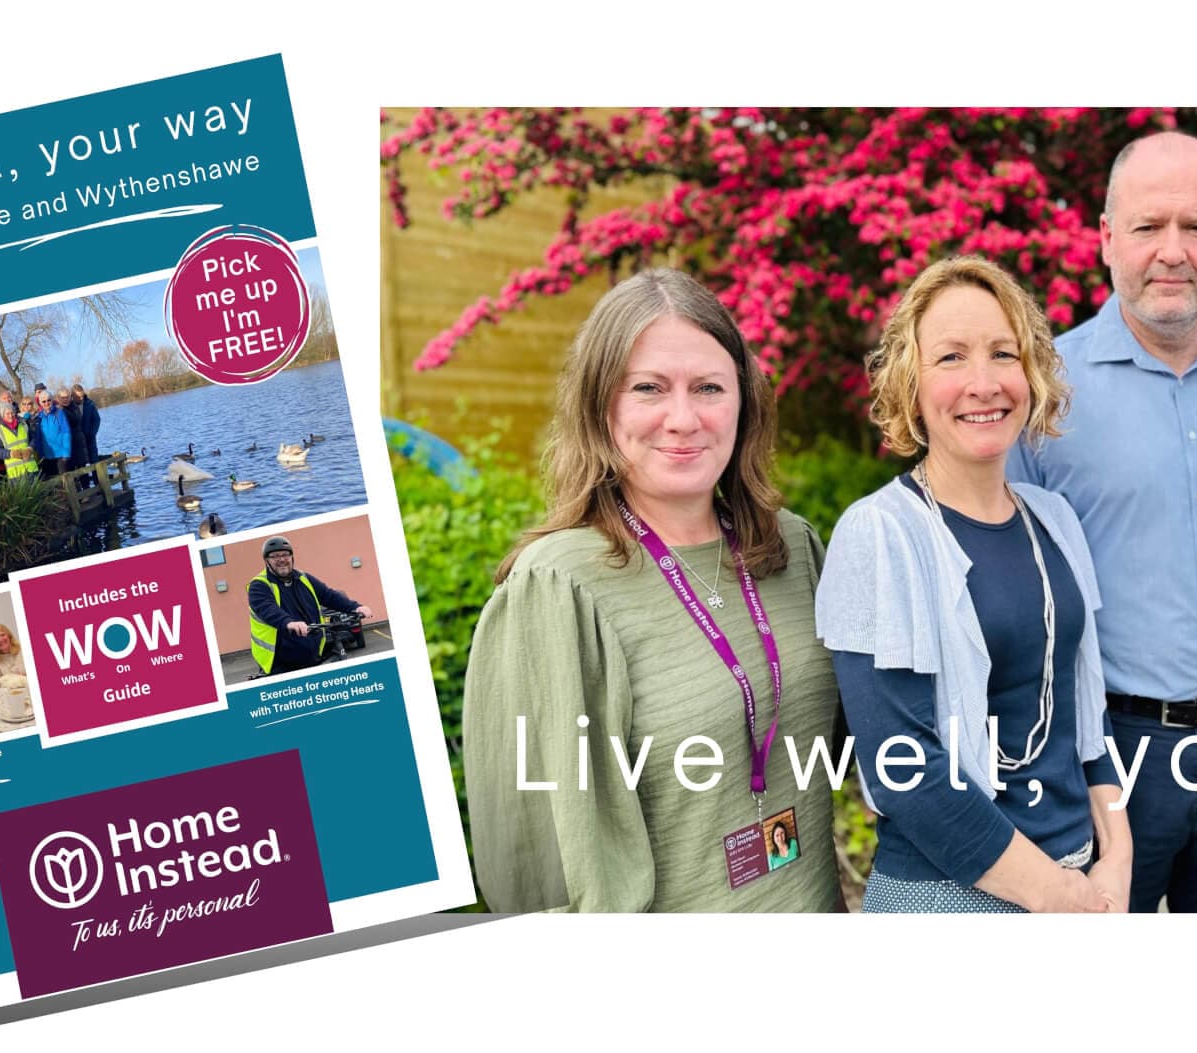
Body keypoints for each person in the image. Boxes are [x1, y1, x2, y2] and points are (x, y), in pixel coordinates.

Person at [464, 268, 841, 913]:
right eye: (648, 388)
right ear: (600, 408)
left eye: (709, 388)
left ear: (743, 403)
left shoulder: (792, 548)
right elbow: (537, 860)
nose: (683, 418)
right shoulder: (559, 587)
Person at [1007, 131, 1197, 912]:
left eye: (1196, 227)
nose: (1172, 251)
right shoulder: (1043, 391)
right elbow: (1015, 584)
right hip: (1107, 749)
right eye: (1148, 227)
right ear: (1107, 237)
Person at [817, 257, 1130, 913]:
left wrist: (1119, 854)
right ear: (911, 382)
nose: (982, 383)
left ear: (1032, 373)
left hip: (1080, 879)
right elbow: (904, 771)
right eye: (951, 357)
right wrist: (1055, 894)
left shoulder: (1056, 521)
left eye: (1003, 354)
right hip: (951, 894)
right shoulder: (878, 534)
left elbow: (1085, 713)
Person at [245, 535, 374, 677]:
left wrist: (355, 607)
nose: (281, 559)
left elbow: (328, 595)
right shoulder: (259, 585)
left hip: (311, 654)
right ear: (266, 561)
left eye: (285, 555)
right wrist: (288, 622)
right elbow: (267, 609)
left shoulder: (303, 578)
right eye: (275, 556)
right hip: (280, 662)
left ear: (292, 557)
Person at [29, 388, 73, 478]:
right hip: (47, 456)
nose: (46, 403)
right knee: (53, 483)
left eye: (48, 400)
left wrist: (66, 453)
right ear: (40, 403)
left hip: (60, 455)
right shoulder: (39, 417)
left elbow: (66, 433)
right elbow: (38, 438)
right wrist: (41, 455)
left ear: (52, 400)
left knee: (64, 481)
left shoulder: (59, 413)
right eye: (44, 401)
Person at [0, 399, 37, 481]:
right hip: (15, 473)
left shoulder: (24, 424)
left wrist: (30, 448)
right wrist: (10, 453)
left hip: (31, 468)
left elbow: (33, 439)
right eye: (7, 413)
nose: (11, 415)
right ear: (3, 415)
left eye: (12, 412)